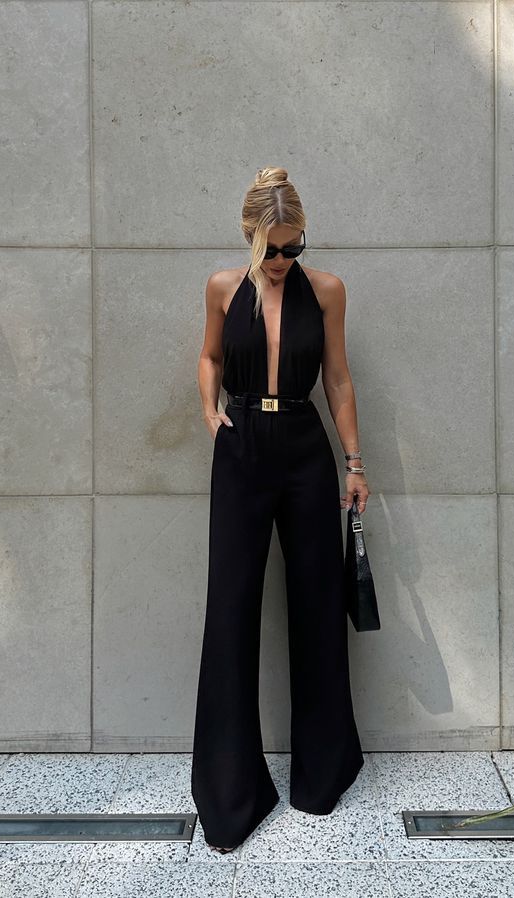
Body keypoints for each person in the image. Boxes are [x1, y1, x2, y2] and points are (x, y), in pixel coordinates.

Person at [191, 166, 371, 853]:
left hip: (303, 449)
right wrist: (210, 412)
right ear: (250, 237)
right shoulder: (221, 288)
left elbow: (339, 377)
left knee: (318, 605)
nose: (285, 261)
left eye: (295, 248)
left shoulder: (325, 291)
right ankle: (232, 790)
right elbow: (210, 357)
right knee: (231, 609)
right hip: (241, 451)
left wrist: (354, 464)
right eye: (274, 249)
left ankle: (322, 774)